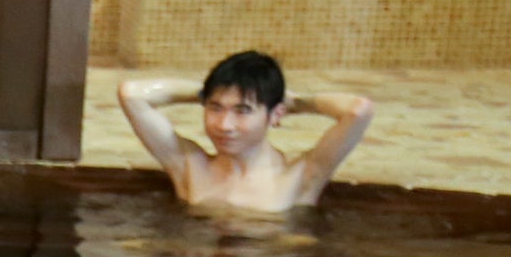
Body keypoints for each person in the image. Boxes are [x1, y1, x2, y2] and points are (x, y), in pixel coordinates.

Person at [117, 50, 374, 217]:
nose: (224, 125)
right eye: (215, 108)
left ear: (275, 115)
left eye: (242, 111)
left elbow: (358, 110)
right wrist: (210, 92)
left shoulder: (301, 175)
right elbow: (132, 94)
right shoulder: (189, 166)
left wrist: (295, 103)